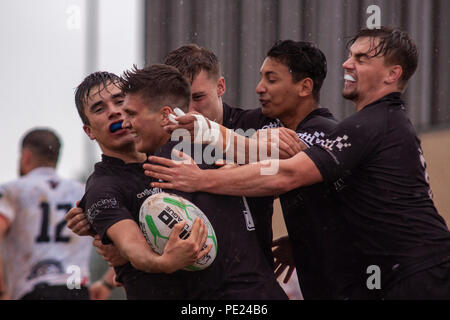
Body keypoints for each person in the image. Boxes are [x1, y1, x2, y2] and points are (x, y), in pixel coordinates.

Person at [144, 27, 450, 299]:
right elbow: (355, 196)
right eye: (349, 56)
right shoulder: (373, 124)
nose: (346, 63)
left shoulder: (361, 126)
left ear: (392, 74)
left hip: (414, 273)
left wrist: (200, 177)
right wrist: (307, 233)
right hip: (396, 273)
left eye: (361, 58)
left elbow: (285, 174)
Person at [151, 40, 366, 299]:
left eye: (198, 98)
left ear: (220, 87)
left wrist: (214, 170)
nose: (191, 111)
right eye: (183, 102)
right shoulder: (162, 140)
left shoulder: (264, 123)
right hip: (192, 292)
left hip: (256, 288)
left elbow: (292, 167)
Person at [71, 65, 288, 300]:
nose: (114, 112)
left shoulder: (192, 142)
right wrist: (162, 262)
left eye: (119, 101)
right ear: (89, 131)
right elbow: (132, 248)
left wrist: (233, 171)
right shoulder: (103, 187)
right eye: (99, 108)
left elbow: (281, 169)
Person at [0, 128, 91, 300]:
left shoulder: (12, 190)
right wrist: (109, 282)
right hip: (77, 287)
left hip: (32, 290)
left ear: (26, 156)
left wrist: (1, 288)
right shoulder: (83, 191)